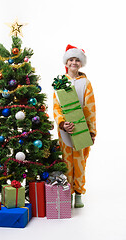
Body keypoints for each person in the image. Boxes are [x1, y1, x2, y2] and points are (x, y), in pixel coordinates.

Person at [53, 44, 96, 208]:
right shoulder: (60, 82)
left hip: (82, 129)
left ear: (81, 63)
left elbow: (90, 108)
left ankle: (79, 193)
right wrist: (62, 123)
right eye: (71, 59)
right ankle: (68, 193)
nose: (74, 63)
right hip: (65, 130)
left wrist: (91, 131)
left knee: (80, 162)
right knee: (66, 162)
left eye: (77, 60)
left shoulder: (86, 83)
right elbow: (56, 106)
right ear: (67, 61)